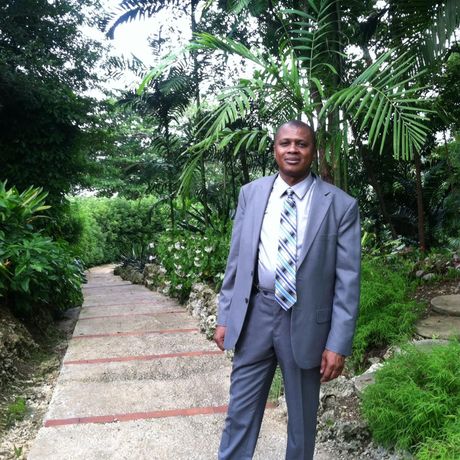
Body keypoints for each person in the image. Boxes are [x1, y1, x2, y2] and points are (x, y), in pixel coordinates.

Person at [214, 120, 361, 460]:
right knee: (240, 412)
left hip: (307, 320)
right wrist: (225, 316)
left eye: (301, 144)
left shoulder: (340, 205)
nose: (293, 150)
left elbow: (348, 281)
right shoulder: (251, 194)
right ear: (275, 148)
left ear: (313, 150)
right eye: (285, 143)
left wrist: (338, 343)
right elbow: (236, 261)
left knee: (302, 422)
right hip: (256, 316)